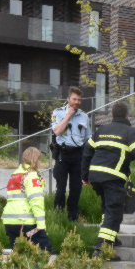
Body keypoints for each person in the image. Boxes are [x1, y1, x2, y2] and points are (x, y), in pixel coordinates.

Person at [82, 102, 135, 258]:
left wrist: (84, 176)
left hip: (96, 176)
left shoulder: (101, 130)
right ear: (126, 115)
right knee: (114, 211)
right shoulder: (130, 132)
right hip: (113, 177)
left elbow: (87, 151)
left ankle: (111, 237)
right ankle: (103, 247)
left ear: (112, 115)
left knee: (107, 208)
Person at [1, 147, 53, 253]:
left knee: (19, 255)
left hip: (10, 222)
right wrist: (41, 224)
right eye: (39, 159)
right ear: (35, 160)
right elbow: (36, 202)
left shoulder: (14, 174)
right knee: (45, 250)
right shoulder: (32, 176)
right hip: (26, 222)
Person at [51, 87, 91, 222]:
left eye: (79, 100)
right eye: (74, 99)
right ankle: (58, 217)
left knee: (76, 189)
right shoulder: (57, 113)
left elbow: (87, 138)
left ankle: (72, 219)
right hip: (63, 154)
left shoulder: (84, 116)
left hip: (78, 155)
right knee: (60, 188)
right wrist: (68, 116)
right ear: (68, 99)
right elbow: (57, 132)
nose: (77, 102)